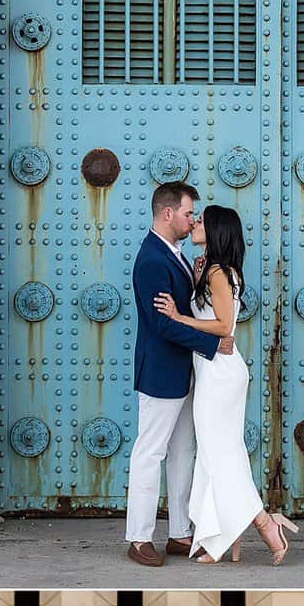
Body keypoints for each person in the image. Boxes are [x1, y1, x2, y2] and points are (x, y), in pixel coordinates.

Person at [151, 204, 295, 565]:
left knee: (220, 455)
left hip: (219, 373)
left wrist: (178, 317)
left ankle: (266, 525)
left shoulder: (218, 272)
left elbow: (223, 326)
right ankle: (218, 537)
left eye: (201, 221)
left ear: (215, 230)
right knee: (216, 456)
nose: (194, 224)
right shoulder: (211, 268)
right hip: (213, 370)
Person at [123, 180, 232, 569]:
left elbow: (184, 309)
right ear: (168, 213)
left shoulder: (178, 255)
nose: (192, 220)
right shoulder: (152, 259)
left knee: (183, 451)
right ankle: (139, 537)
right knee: (150, 452)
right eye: (188, 213)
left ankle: (180, 532)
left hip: (185, 372)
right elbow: (161, 324)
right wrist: (212, 344)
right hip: (161, 372)